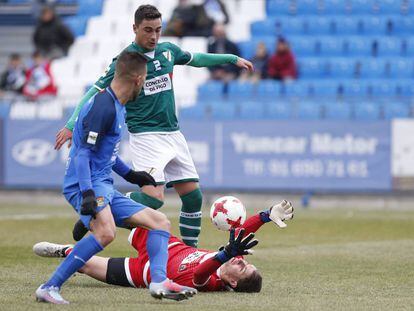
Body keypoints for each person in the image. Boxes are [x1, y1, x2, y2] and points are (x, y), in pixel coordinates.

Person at [54, 4, 253, 247]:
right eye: (148, 30)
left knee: (193, 198)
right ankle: (98, 209)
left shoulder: (168, 51)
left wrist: (232, 58)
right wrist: (71, 123)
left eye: (158, 30)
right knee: (154, 197)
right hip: (146, 136)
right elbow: (93, 92)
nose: (154, 36)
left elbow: (197, 59)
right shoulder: (125, 61)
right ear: (135, 28)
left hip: (173, 134)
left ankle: (190, 254)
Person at [35, 51, 197, 305]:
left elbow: (107, 154)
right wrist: (87, 193)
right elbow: (83, 156)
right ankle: (49, 286)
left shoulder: (118, 106)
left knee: (159, 222)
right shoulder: (103, 107)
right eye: (144, 81)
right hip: (84, 182)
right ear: (137, 78)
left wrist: (132, 175)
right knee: (106, 232)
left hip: (103, 185)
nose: (143, 86)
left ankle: (158, 282)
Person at [34, 201, 294, 293]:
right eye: (246, 261)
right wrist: (265, 215)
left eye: (244, 268)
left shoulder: (214, 281)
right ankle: (93, 218)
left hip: (143, 272)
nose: (242, 261)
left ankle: (65, 250)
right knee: (137, 209)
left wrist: (226, 254)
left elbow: (198, 275)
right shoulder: (225, 258)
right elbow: (240, 235)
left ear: (234, 283)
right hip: (164, 242)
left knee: (86, 265)